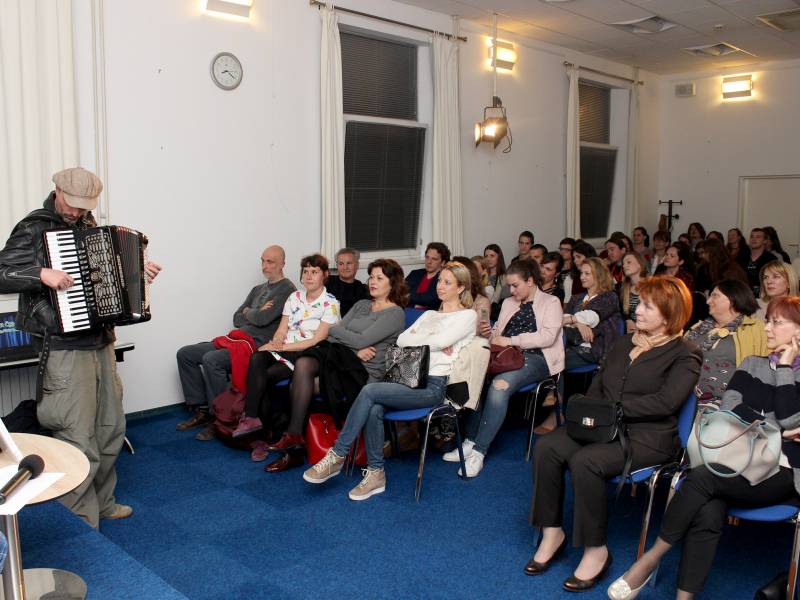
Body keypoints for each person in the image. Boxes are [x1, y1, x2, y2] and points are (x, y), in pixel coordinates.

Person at [0, 167, 162, 528]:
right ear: (56, 190)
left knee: (110, 428)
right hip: (62, 346)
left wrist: (139, 275)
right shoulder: (34, 227)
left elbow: (113, 283)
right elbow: (2, 271)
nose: (75, 212)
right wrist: (41, 274)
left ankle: (103, 502)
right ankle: (80, 522)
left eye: (83, 205)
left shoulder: (92, 229)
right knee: (76, 435)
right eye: (71, 204)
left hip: (101, 341)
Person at [609, 295, 800, 600]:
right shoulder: (752, 363)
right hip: (737, 458)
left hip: (783, 471)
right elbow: (731, 406)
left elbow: (790, 417)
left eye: (778, 322)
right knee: (709, 508)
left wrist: (787, 367)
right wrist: (772, 425)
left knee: (700, 480)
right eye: (768, 320)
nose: (767, 327)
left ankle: (649, 559)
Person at [527, 276, 701, 592]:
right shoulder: (624, 343)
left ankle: (597, 550)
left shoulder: (684, 352)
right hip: (605, 426)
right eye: (639, 303)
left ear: (669, 313)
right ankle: (553, 533)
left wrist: (615, 410)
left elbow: (667, 402)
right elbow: (598, 385)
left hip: (648, 437)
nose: (638, 310)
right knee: (547, 447)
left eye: (648, 305)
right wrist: (591, 414)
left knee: (586, 461)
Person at [302, 262, 477, 501]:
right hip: (406, 379)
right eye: (439, 281)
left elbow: (435, 340)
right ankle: (376, 473)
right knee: (373, 404)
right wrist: (432, 340)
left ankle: (338, 454)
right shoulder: (429, 314)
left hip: (433, 387)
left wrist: (428, 339)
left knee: (370, 391)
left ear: (461, 288)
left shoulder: (467, 315)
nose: (440, 286)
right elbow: (403, 340)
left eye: (447, 282)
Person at [253, 259, 406, 469]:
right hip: (342, 361)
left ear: (393, 283)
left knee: (298, 382)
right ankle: (295, 441)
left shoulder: (395, 313)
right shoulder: (362, 305)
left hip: (363, 373)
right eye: (371, 277)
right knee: (304, 366)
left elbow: (353, 337)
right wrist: (356, 345)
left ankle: (294, 445)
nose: (372, 282)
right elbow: (333, 333)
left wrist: (352, 339)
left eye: (380, 278)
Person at [448, 259, 564, 477]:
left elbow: (548, 337)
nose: (511, 290)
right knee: (474, 379)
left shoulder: (551, 302)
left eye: (515, 285)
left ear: (530, 281)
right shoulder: (510, 303)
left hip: (537, 357)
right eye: (509, 286)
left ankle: (479, 452)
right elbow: (497, 335)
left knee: (499, 387)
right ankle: (471, 441)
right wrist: (488, 332)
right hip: (505, 356)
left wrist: (511, 340)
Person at [176, 245, 295, 438]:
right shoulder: (257, 289)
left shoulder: (287, 290)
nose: (264, 266)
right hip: (236, 338)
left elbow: (263, 320)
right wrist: (252, 312)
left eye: (270, 261)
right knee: (185, 354)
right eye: (262, 261)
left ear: (282, 263)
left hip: (257, 344)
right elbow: (236, 317)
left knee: (212, 360)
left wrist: (250, 312)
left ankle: (222, 419)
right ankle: (204, 410)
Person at [232, 254, 340, 438]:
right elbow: (282, 329)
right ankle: (251, 419)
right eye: (305, 271)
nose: (308, 276)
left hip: (308, 353)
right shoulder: (294, 297)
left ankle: (263, 433)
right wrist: (275, 342)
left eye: (314, 272)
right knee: (257, 356)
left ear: (325, 275)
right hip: (285, 348)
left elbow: (317, 340)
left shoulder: (331, 303)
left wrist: (280, 348)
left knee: (262, 377)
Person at [684, 280, 767, 406]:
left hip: (725, 405)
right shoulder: (698, 328)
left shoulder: (757, 330)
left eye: (715, 296)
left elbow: (767, 368)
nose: (708, 301)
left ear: (733, 298)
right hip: (684, 398)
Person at [561, 257, 623, 375]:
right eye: (581, 273)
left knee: (553, 362)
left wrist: (573, 320)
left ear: (599, 275)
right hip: (570, 343)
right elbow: (564, 317)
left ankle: (553, 393)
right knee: (551, 358)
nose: (582, 277)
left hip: (593, 349)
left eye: (587, 273)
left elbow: (592, 316)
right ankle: (554, 393)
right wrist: (579, 324)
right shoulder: (576, 298)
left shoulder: (609, 297)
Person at [405, 242, 450, 310]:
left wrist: (408, 297)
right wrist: (414, 306)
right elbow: (399, 295)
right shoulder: (414, 274)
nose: (429, 262)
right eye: (427, 257)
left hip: (430, 317)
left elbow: (431, 300)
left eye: (434, 259)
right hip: (407, 313)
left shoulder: (444, 279)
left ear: (443, 262)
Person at [325, 247, 368, 316]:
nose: (345, 267)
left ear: (357, 265)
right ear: (337, 266)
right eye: (341, 264)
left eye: (349, 263)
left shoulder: (363, 290)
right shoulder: (326, 281)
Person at [737, 228, 774, 297]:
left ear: (765, 241)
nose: (754, 239)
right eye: (752, 236)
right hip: (742, 295)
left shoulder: (771, 259)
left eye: (758, 237)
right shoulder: (741, 256)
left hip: (763, 296)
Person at [619, 252, 649, 333]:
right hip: (632, 331)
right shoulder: (624, 288)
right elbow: (622, 311)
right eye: (623, 264)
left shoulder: (651, 286)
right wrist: (628, 320)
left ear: (640, 264)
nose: (624, 266)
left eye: (628, 262)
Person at [485, 243, 511, 317]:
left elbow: (506, 300)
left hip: (497, 315)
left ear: (499, 257)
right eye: (486, 256)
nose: (488, 259)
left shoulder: (504, 277)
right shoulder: (482, 276)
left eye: (492, 256)